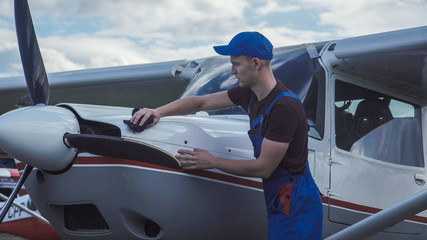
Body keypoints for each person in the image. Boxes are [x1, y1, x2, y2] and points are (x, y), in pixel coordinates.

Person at [131, 31, 323, 240]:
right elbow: (200, 103)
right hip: (279, 194)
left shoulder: (284, 107)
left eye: (236, 64)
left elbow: (264, 168)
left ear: (256, 63)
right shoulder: (251, 93)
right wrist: (158, 111)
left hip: (295, 198)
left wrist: (212, 161)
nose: (232, 71)